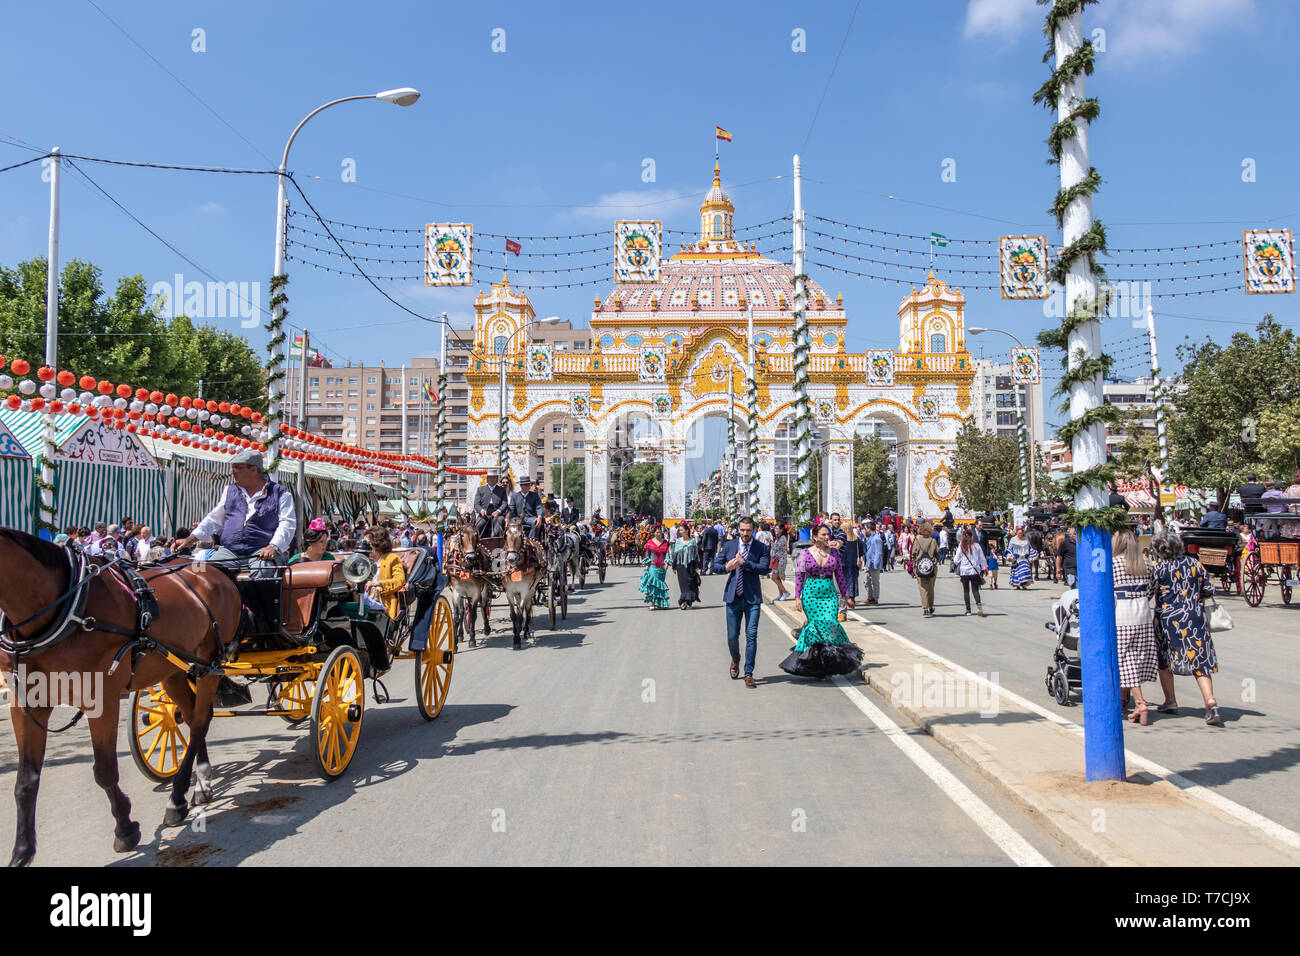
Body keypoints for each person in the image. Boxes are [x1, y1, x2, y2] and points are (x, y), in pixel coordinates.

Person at [174, 448, 296, 575]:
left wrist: (274, 547)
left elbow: (287, 524)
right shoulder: (229, 491)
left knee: (262, 572)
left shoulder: (280, 494)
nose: (233, 472)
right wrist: (190, 539)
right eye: (233, 467)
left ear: (254, 469)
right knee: (208, 574)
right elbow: (214, 519)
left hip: (261, 550)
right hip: (230, 550)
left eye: (238, 467)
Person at [1149, 530, 1222, 726]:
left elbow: (1149, 592)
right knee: (1199, 660)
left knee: (1164, 660)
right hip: (1194, 617)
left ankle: (1170, 701)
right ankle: (1210, 700)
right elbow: (1208, 589)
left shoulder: (1158, 568)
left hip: (1167, 620)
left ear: (1159, 549)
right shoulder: (1194, 564)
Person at [780, 523, 864, 679]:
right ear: (815, 536)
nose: (827, 538)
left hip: (829, 594)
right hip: (811, 593)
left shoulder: (834, 553)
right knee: (815, 628)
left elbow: (840, 576)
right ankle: (817, 667)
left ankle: (829, 664)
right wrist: (798, 597)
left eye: (828, 535)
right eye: (824, 535)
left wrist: (847, 596)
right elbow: (799, 577)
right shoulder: (805, 553)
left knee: (830, 625)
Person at [712, 516, 769, 688]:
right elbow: (715, 566)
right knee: (732, 636)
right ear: (738, 530)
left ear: (754, 530)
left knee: (751, 635)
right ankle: (735, 659)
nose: (745, 533)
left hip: (752, 598)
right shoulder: (729, 545)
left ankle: (749, 673)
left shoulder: (762, 547)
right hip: (733, 597)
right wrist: (726, 568)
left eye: (748, 530)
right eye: (742, 530)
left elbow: (764, 568)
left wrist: (746, 563)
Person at [1112, 527, 1158, 725]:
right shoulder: (1145, 563)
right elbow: (1153, 588)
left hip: (1122, 611)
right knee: (1136, 656)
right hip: (1143, 610)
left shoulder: (1113, 563)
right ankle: (1123, 699)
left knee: (1123, 658)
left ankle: (1140, 702)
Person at [363, 529, 407, 621]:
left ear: (377, 543)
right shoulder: (364, 559)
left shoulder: (392, 558)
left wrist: (378, 583)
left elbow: (400, 580)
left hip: (383, 601)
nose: (364, 545)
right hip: (364, 599)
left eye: (367, 543)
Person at [953, 527, 987, 616]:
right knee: (975, 590)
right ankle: (979, 606)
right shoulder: (976, 545)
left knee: (966, 590)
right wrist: (984, 567)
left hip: (964, 571)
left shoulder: (961, 546)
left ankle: (968, 610)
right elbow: (982, 558)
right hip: (974, 570)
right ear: (972, 536)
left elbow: (956, 560)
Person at [911, 520, 940, 617]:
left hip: (920, 566)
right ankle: (931, 606)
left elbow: (913, 554)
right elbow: (938, 554)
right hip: (931, 567)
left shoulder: (917, 541)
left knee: (923, 588)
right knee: (931, 588)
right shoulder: (933, 541)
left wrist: (915, 564)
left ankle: (925, 608)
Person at [670, 523, 702, 609]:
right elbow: (675, 555)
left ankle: (688, 600)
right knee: (683, 585)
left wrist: (697, 566)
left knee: (690, 583)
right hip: (680, 566)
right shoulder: (678, 541)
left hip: (690, 566)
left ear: (686, 530)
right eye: (679, 530)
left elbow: (696, 555)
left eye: (682, 530)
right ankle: (684, 601)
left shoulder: (692, 542)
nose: (680, 532)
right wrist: (674, 566)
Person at [639, 527, 671, 610]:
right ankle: (653, 603)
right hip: (652, 566)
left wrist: (667, 563)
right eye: (657, 532)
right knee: (653, 585)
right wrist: (647, 565)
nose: (659, 534)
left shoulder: (665, 542)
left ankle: (660, 603)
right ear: (654, 533)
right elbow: (647, 554)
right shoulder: (650, 542)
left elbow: (667, 553)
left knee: (660, 585)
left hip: (662, 567)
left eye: (660, 532)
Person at [472, 472, 507, 538]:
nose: (492, 479)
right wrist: (481, 510)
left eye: (494, 477)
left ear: (497, 479)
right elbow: (476, 504)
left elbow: (504, 504)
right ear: (487, 479)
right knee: (478, 525)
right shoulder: (480, 489)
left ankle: (497, 541)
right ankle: (478, 543)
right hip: (484, 514)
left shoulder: (502, 490)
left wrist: (498, 511)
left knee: (500, 521)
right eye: (490, 477)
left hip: (497, 514)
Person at [769, 523, 793, 601]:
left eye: (777, 528)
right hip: (776, 560)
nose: (775, 530)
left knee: (774, 577)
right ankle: (781, 594)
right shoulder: (778, 537)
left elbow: (776, 548)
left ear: (781, 530)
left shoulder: (782, 538)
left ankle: (785, 592)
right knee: (777, 578)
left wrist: (771, 542)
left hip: (780, 560)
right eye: (775, 528)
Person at [861, 522, 883, 606]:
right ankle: (870, 597)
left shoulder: (877, 538)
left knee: (875, 582)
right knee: (866, 581)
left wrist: (876, 565)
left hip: (874, 564)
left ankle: (875, 598)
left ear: (869, 529)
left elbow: (878, 553)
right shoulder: (870, 537)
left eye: (866, 528)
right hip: (869, 563)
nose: (865, 530)